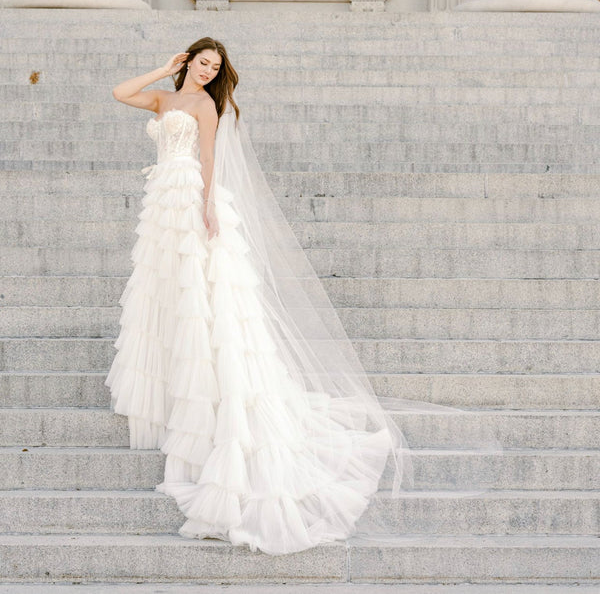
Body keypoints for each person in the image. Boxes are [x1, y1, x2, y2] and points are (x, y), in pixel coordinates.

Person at [104, 36, 484, 555]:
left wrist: (209, 205)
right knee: (167, 290)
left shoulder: (207, 108)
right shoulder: (165, 97)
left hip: (189, 196)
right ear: (188, 61)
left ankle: (211, 389)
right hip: (161, 202)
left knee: (200, 291)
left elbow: (209, 157)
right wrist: (159, 68)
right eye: (202, 63)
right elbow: (120, 92)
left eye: (215, 67)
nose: (208, 71)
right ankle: (176, 381)